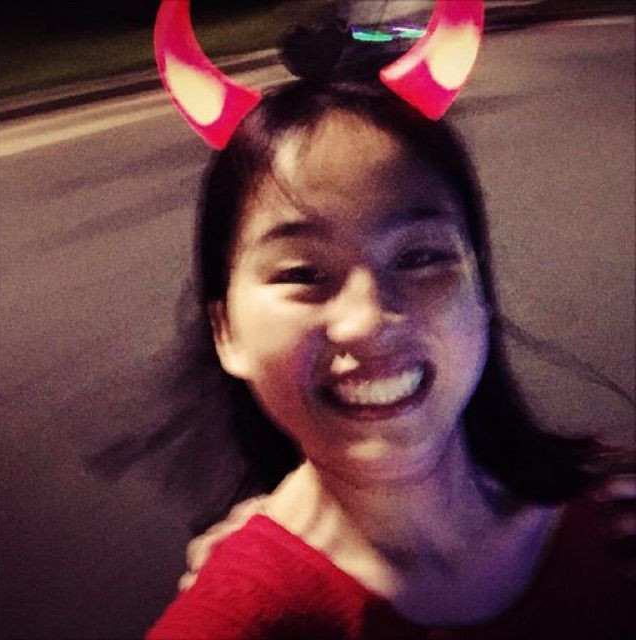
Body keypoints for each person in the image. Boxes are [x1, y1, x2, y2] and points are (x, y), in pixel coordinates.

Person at [146, 1, 635, 638]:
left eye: (421, 257)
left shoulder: (611, 521)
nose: (367, 322)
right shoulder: (242, 617)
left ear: (481, 294)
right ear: (226, 332)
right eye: (303, 273)